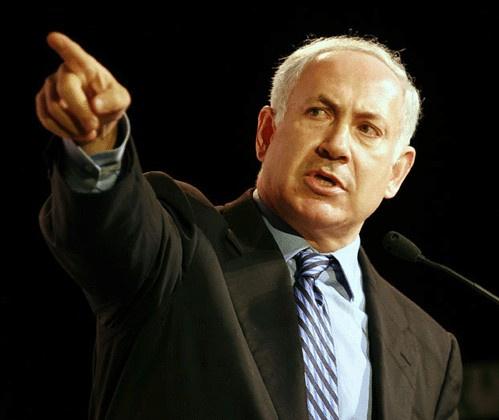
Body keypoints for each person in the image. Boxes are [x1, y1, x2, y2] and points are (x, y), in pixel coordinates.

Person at [37, 32, 462, 419]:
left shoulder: (431, 353)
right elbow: (109, 230)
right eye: (318, 112)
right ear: (266, 133)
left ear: (397, 173)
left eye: (367, 129)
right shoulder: (180, 245)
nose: (336, 145)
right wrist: (98, 141)